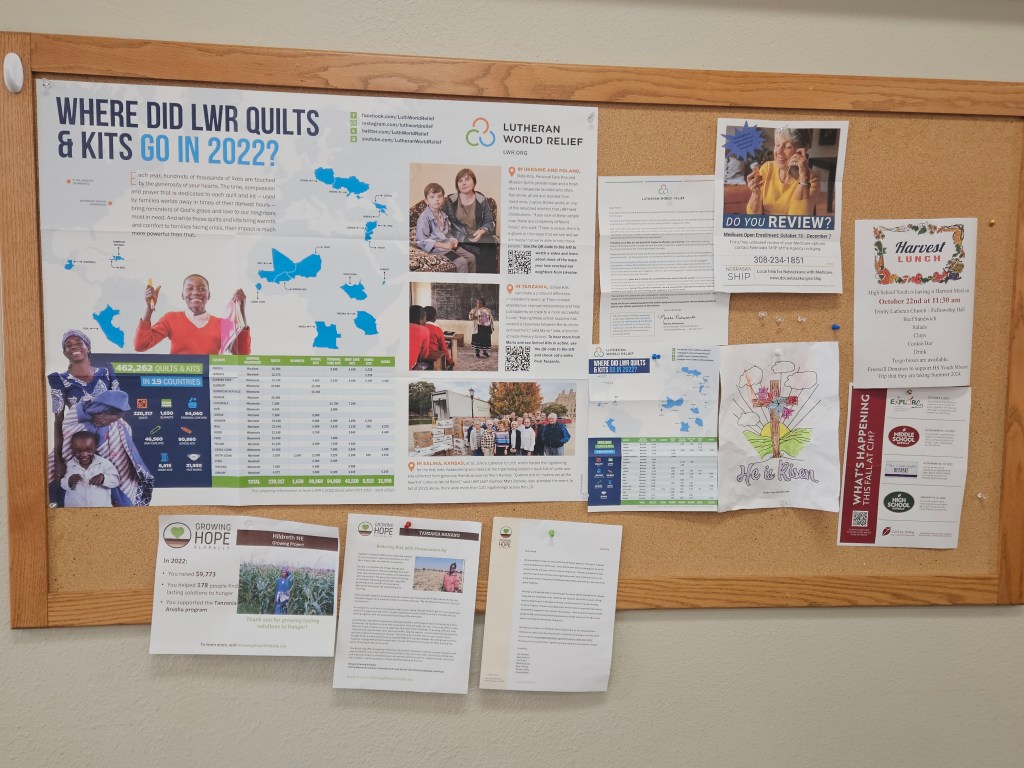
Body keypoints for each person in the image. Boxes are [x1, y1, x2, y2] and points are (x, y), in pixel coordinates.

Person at [48, 330, 121, 488]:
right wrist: (58, 460)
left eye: (79, 343)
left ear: (88, 347)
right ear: (65, 352)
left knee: (113, 477)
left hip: (110, 435)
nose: (74, 347)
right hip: (78, 439)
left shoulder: (107, 372)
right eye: (68, 345)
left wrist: (110, 418)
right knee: (76, 482)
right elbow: (58, 422)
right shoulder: (59, 380)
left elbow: (120, 406)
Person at [73, 390, 154, 506]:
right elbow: (69, 439)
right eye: (114, 417)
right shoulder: (77, 419)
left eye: (117, 417)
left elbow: (124, 455)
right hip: (87, 473)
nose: (111, 421)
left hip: (116, 475)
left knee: (123, 504)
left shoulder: (121, 426)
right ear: (100, 411)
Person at [135, 274, 251, 354]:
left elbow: (242, 355)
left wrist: (241, 309)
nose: (196, 292)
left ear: (209, 295)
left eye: (202, 289)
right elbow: (141, 345)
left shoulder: (222, 324)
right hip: (179, 380)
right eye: (190, 288)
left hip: (209, 380)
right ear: (182, 295)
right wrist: (149, 308)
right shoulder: (171, 319)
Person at [745, 127, 819, 216]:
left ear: (801, 151)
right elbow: (752, 217)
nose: (779, 151)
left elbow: (797, 221)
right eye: (777, 144)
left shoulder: (811, 179)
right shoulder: (767, 168)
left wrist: (803, 179)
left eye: (788, 147)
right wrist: (756, 194)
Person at [414, 183, 477, 273]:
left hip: (447, 244)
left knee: (471, 258)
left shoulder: (443, 215)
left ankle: (471, 281)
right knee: (462, 262)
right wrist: (443, 245)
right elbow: (421, 240)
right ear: (426, 201)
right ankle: (462, 282)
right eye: (432, 197)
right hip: (437, 249)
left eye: (439, 196)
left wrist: (453, 241)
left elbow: (447, 234)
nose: (436, 199)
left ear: (443, 198)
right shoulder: (424, 218)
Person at [444, 168, 497, 273]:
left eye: (467, 179)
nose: (463, 183)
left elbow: (488, 221)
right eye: (460, 181)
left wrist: (482, 230)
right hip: (459, 237)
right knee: (474, 254)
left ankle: (487, 280)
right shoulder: (450, 201)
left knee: (489, 246)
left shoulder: (482, 200)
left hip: (478, 236)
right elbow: (438, 215)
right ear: (457, 185)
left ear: (474, 182)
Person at [60, 432, 119, 508]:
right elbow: (62, 483)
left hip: (101, 508)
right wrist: (69, 481)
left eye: (89, 450)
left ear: (95, 448)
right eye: (78, 451)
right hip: (75, 509)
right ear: (72, 449)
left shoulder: (104, 463)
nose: (84, 454)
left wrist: (103, 478)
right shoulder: (69, 465)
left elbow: (116, 480)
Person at [409, 305, 430, 370]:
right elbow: (424, 355)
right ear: (420, 320)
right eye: (425, 318)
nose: (426, 321)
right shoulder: (424, 330)